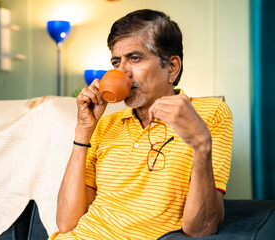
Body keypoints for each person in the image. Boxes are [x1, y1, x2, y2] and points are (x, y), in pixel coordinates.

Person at [50, 9, 233, 240]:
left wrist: (201, 144)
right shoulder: (106, 124)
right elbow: (67, 223)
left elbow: (201, 228)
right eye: (116, 62)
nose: (122, 71)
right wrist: (83, 131)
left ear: (172, 67)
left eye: (135, 58)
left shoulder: (208, 114)